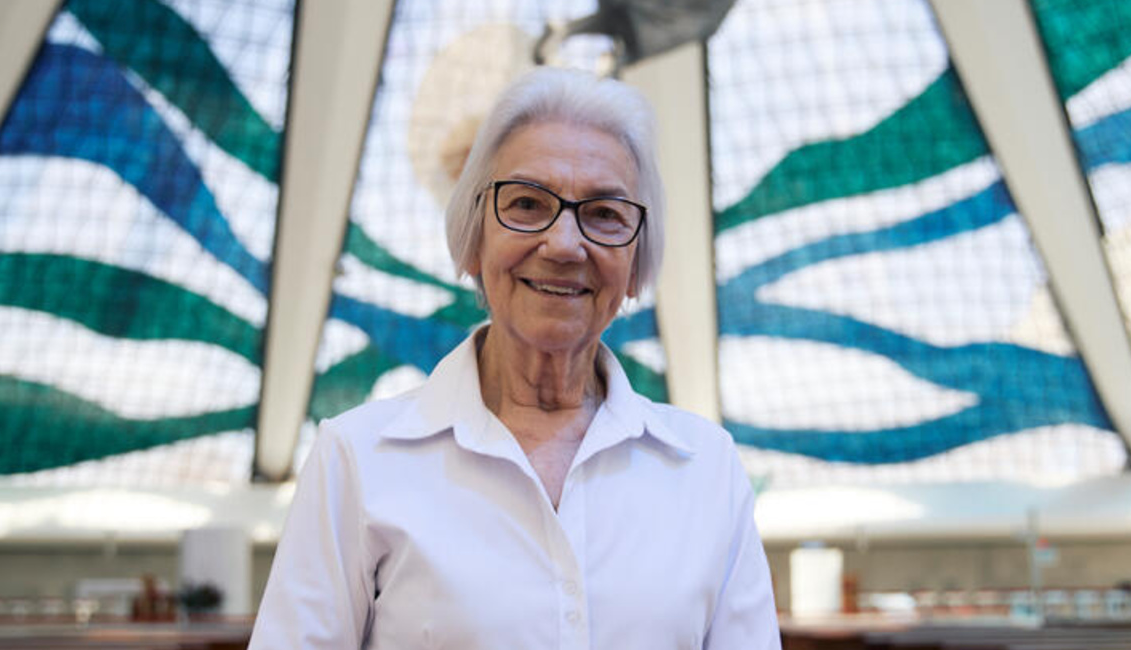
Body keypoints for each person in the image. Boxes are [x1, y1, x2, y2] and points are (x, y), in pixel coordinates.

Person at [250, 67, 778, 648]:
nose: (564, 245)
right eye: (527, 203)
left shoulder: (706, 470)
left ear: (634, 266)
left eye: (605, 214)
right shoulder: (357, 459)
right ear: (474, 239)